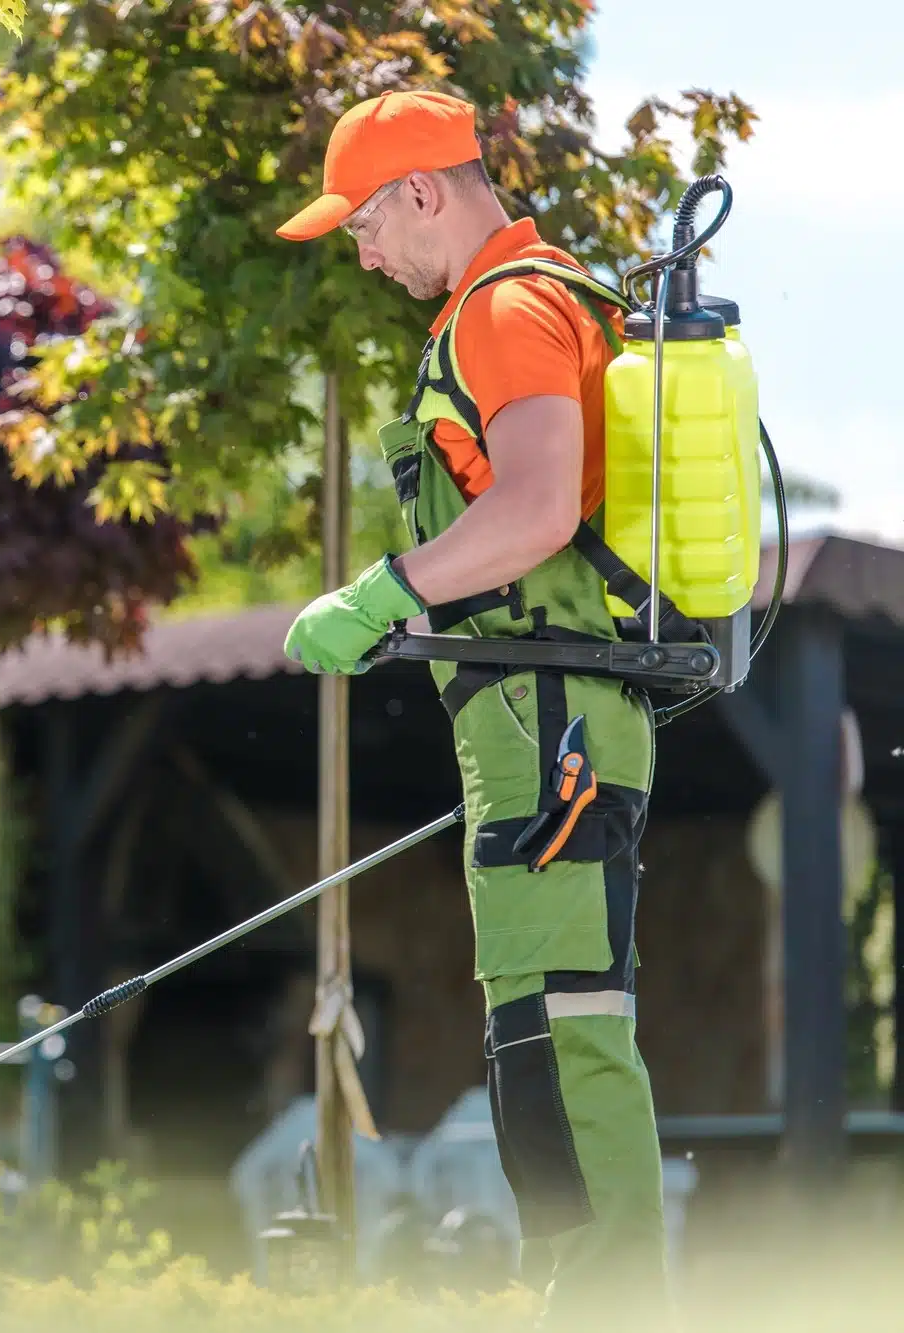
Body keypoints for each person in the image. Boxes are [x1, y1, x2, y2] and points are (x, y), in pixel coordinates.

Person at [274, 90, 673, 1326]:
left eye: (363, 226)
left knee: (559, 1026)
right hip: (544, 719)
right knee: (538, 1026)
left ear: (420, 191)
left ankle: (607, 1305)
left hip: (550, 726)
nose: (362, 254)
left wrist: (383, 590)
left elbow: (537, 509)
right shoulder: (537, 298)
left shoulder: (502, 309)